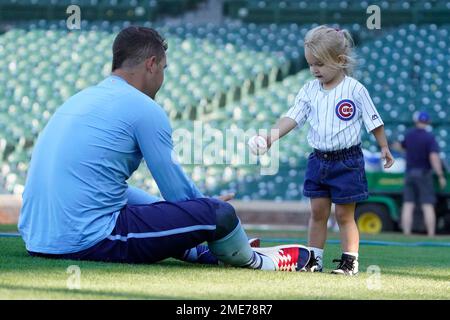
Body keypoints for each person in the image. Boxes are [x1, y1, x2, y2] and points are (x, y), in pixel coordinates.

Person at [18, 26, 311, 272]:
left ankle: (197, 252)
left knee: (151, 205)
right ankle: (255, 262)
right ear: (152, 64)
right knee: (218, 214)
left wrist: (186, 208)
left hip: (36, 239)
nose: (163, 77)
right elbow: (177, 193)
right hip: (87, 240)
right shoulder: (144, 108)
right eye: (164, 69)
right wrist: (201, 207)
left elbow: (116, 194)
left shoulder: (80, 99)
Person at [249, 25, 395, 276]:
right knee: (317, 212)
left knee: (344, 215)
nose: (314, 69)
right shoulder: (309, 90)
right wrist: (271, 136)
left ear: (339, 61)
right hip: (318, 160)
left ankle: (350, 262)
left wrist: (384, 147)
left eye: (319, 64)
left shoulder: (355, 90)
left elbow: (374, 120)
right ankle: (314, 259)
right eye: (310, 64)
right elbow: (292, 118)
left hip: (347, 161)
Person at [397, 111, 447, 237]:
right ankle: (431, 234)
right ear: (428, 122)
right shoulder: (429, 137)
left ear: (416, 121)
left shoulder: (409, 135)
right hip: (424, 174)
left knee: (408, 204)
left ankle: (406, 233)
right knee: (427, 205)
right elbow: (434, 157)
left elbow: (401, 147)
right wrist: (440, 175)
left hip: (409, 173)